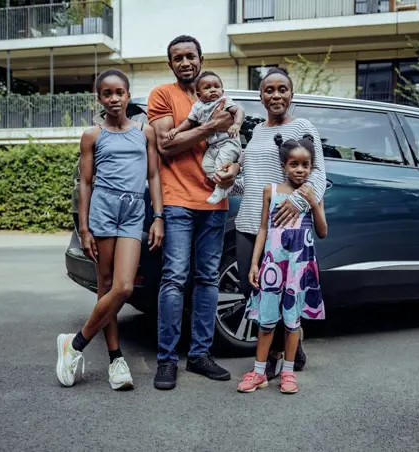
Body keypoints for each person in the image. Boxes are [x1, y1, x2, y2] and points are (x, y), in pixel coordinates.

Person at [56, 68, 164, 391]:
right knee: (106, 287)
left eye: (120, 92)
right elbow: (86, 183)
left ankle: (73, 345)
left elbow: (154, 176)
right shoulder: (93, 135)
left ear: (128, 96)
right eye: (107, 93)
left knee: (124, 287)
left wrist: (158, 216)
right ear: (99, 98)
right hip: (103, 211)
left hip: (132, 212)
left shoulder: (145, 133)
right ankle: (116, 360)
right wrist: (85, 228)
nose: (114, 98)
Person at [147, 35, 240, 390]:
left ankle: (199, 356)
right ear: (171, 64)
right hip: (178, 200)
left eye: (191, 56)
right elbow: (166, 145)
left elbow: (234, 142)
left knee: (206, 280)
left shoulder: (217, 92)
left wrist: (235, 167)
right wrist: (209, 127)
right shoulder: (162, 95)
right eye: (178, 58)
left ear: (201, 59)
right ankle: (167, 360)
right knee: (174, 277)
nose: (185, 62)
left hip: (215, 202)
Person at [227, 67, 327, 381]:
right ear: (261, 96)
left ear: (291, 94)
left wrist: (297, 202)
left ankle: (276, 356)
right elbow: (253, 181)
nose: (276, 95)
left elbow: (319, 173)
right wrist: (229, 184)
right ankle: (288, 349)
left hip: (286, 224)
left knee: (286, 290)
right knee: (253, 288)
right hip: (251, 220)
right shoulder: (256, 132)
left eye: (282, 89)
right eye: (269, 90)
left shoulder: (302, 126)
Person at [237, 133, 328, 394]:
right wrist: (255, 264)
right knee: (266, 320)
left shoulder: (313, 194)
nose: (300, 170)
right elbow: (263, 229)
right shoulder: (271, 191)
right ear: (283, 166)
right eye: (294, 164)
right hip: (273, 266)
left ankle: (288, 373)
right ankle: (258, 372)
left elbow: (322, 231)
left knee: (293, 322)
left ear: (312, 167)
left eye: (305, 165)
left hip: (299, 268)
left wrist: (312, 202)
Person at [166, 70, 245, 205]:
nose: (213, 90)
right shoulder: (197, 107)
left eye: (216, 87)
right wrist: (176, 130)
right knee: (207, 165)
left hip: (229, 143)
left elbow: (239, 110)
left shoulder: (224, 101)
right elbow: (189, 121)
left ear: (222, 90)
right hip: (214, 146)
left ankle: (220, 190)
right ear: (199, 95)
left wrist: (237, 124)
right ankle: (224, 185)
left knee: (221, 163)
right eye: (207, 88)